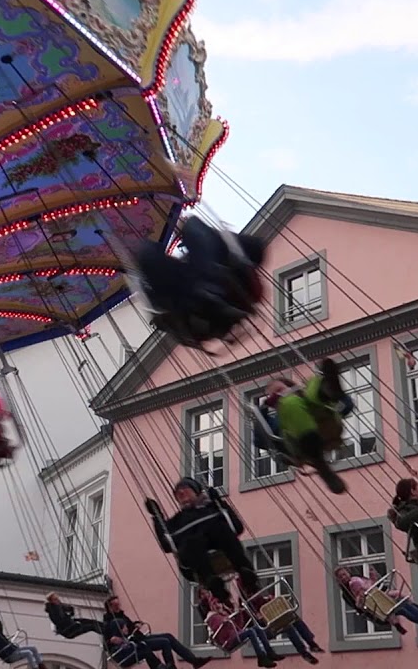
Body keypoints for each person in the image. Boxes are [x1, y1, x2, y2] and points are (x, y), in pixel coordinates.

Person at [130, 216, 266, 348]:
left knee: (148, 253)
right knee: (191, 228)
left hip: (195, 290)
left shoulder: (181, 305)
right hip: (205, 284)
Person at [152, 478, 259, 605]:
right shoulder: (176, 522)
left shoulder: (213, 509)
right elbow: (167, 545)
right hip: (196, 559)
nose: (181, 493)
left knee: (221, 530)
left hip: (220, 546)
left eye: (185, 489)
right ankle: (212, 581)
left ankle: (244, 571)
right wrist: (157, 518)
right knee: (192, 542)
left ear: (196, 492)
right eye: (177, 493)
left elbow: (236, 527)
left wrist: (219, 502)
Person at [257, 359, 351, 494]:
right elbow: (261, 440)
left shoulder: (305, 399)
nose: (278, 395)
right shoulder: (276, 419)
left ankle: (328, 388)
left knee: (311, 389)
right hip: (300, 445)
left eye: (280, 390)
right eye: (273, 395)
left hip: (326, 426)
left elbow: (346, 406)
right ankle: (320, 464)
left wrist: (340, 402)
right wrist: (262, 414)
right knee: (290, 402)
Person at [102, 595, 210, 669]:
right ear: (110, 607)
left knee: (168, 636)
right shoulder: (108, 622)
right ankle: (170, 666)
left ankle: (193, 660)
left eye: (119, 605)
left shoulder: (121, 615)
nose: (119, 607)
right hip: (135, 643)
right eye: (116, 606)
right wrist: (113, 640)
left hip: (140, 638)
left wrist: (136, 624)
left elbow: (129, 626)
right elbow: (108, 641)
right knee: (164, 642)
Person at [333, 567, 418, 635]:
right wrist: (361, 599)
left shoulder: (357, 579)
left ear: (348, 572)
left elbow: (373, 586)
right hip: (377, 611)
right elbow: (359, 607)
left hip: (382, 598)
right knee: (402, 610)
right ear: (338, 579)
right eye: (341, 576)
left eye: (344, 574)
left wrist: (373, 577)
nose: (344, 577)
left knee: (404, 604)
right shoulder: (347, 594)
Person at [195, 588, 286, 667]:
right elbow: (220, 630)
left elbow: (238, 624)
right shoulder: (212, 617)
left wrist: (238, 612)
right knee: (251, 632)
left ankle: (269, 651)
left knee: (257, 629)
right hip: (228, 640)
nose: (219, 606)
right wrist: (226, 620)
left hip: (234, 634)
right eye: (216, 605)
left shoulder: (225, 613)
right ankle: (261, 657)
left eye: (219, 604)